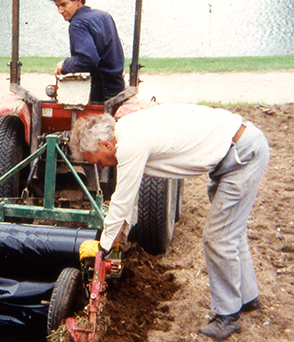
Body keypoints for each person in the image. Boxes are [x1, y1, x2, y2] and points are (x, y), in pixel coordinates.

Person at [69, 104, 270, 341]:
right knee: (231, 232)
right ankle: (247, 299)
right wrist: (118, 238)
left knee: (218, 237)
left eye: (98, 161)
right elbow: (130, 198)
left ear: (106, 145)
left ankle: (228, 316)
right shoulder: (126, 131)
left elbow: (121, 202)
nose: (100, 166)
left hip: (241, 156)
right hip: (236, 148)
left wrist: (102, 248)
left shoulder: (131, 144)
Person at [47, 0, 125, 103]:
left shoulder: (77, 24)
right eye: (57, 6)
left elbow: (88, 59)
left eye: (64, 4)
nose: (60, 11)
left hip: (100, 96)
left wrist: (64, 64)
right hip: (118, 89)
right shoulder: (104, 16)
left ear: (78, 0)